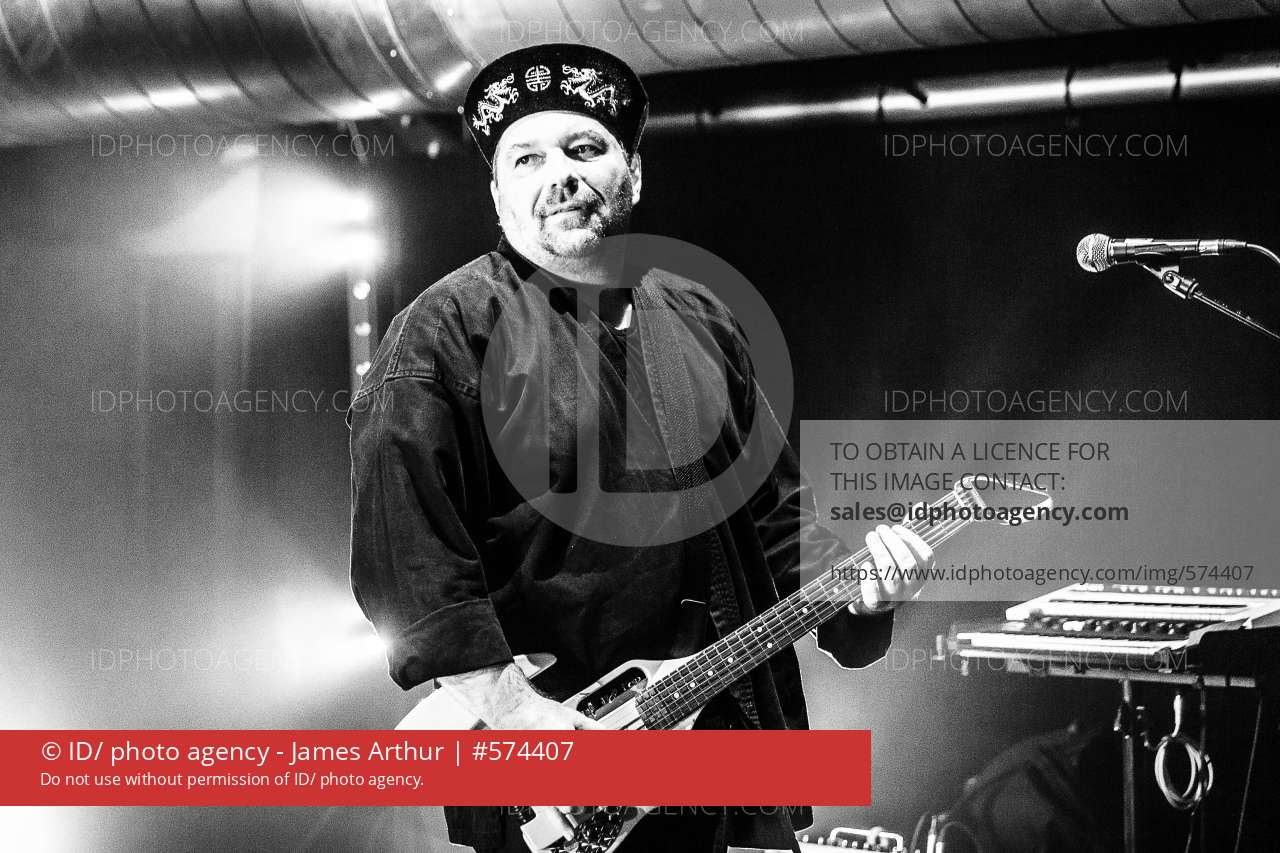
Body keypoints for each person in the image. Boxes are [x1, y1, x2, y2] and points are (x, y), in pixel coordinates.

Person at [348, 43, 934, 853]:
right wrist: (526, 721)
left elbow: (775, 519)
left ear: (634, 175)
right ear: (497, 193)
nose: (559, 175)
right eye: (527, 158)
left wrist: (862, 597)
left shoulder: (701, 317)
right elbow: (409, 568)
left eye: (583, 149)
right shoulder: (442, 337)